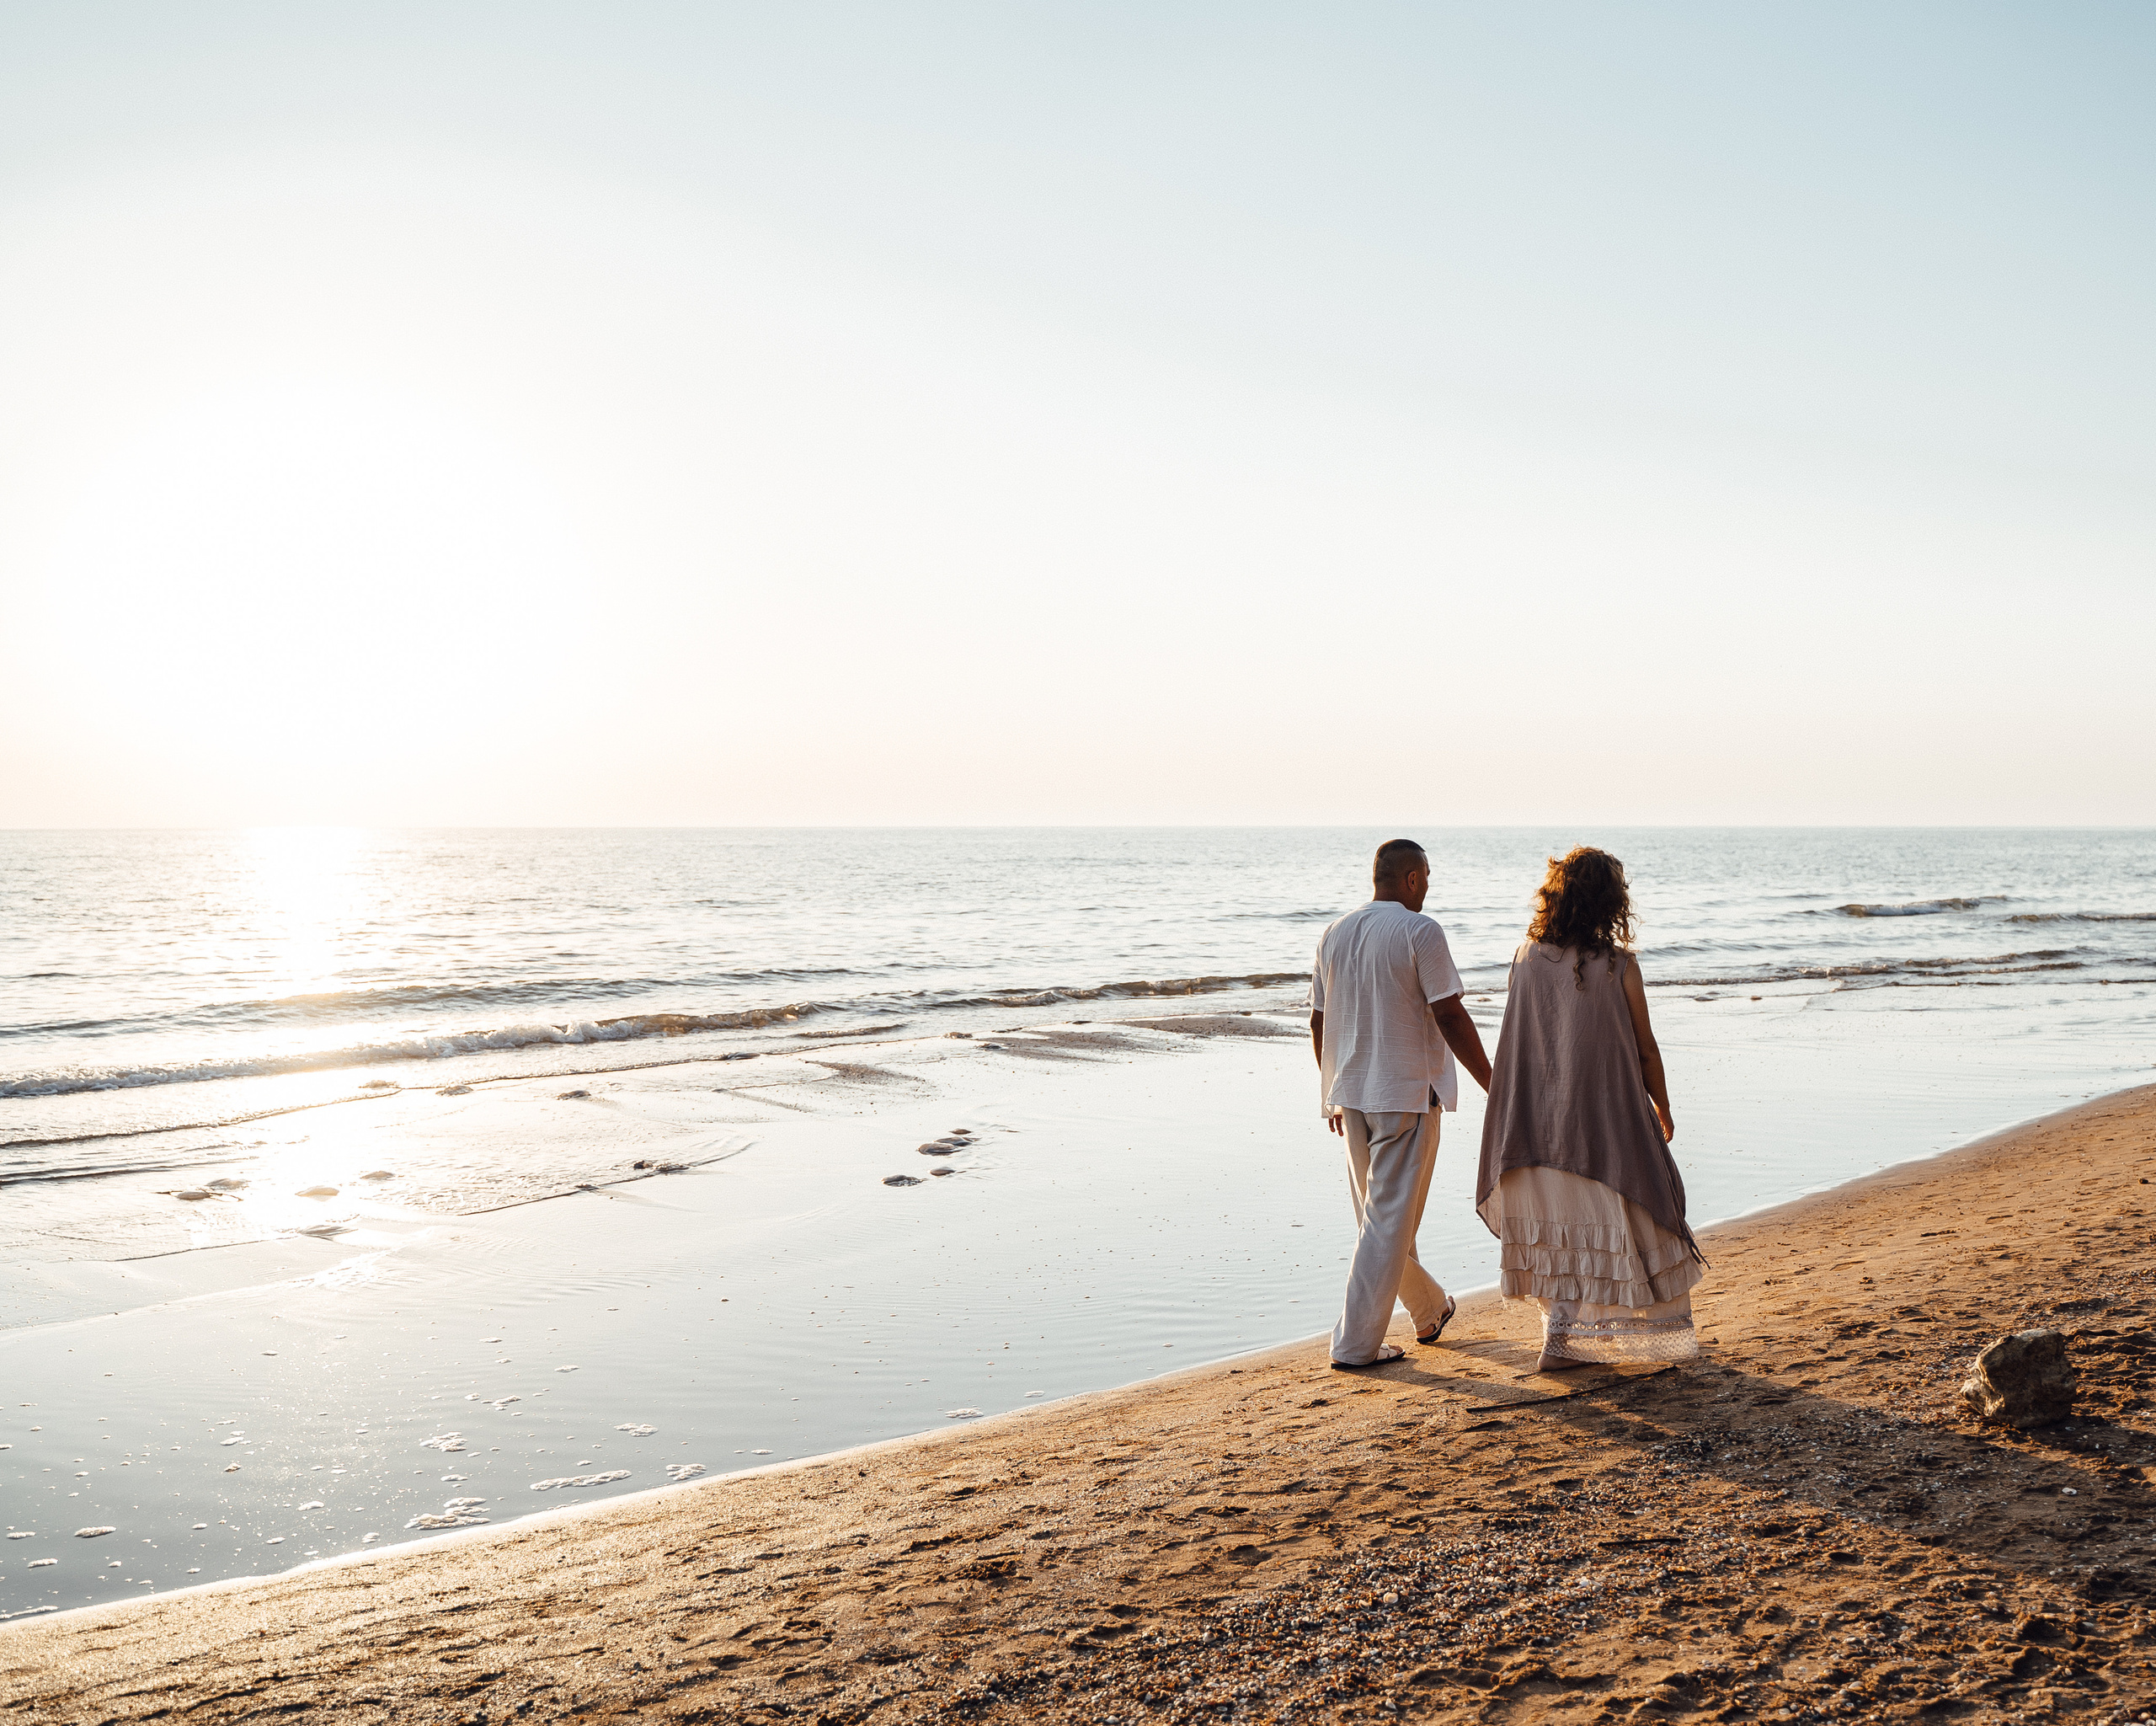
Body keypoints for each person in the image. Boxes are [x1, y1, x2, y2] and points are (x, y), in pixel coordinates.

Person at [1476, 846, 1705, 1373]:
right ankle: (1575, 1343)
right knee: (1628, 1217)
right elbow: (1645, 1047)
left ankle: (1560, 1340)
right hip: (1602, 1123)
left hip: (1534, 1126)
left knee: (1561, 1231)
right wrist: (1662, 1104)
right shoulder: (1620, 966)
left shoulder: (1526, 958)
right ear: (1611, 903)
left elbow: (1525, 1042)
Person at [1310, 838, 1492, 1370]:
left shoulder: (1334, 933)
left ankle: (1429, 1309)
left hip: (1353, 1094)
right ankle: (1354, 1344)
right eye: (1427, 877)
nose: (1429, 887)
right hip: (1406, 1091)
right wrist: (1495, 1083)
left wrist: (1330, 1094)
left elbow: (1319, 1022)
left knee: (1380, 1218)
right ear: (1412, 878)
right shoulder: (1420, 930)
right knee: (1387, 1221)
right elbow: (1450, 1014)